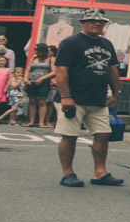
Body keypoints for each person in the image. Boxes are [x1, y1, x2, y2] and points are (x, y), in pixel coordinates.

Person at [52, 10, 124, 188]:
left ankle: (100, 173)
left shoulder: (106, 43)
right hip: (74, 98)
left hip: (98, 99)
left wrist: (116, 94)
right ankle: (67, 173)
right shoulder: (70, 42)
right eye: (92, 21)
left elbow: (113, 70)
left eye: (101, 22)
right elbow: (61, 70)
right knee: (69, 136)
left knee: (103, 133)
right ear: (83, 23)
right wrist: (66, 96)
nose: (97, 24)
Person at [26, 44, 56, 130]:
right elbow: (28, 70)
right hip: (32, 81)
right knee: (32, 101)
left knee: (42, 101)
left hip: (43, 81)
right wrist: (26, 79)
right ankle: (31, 121)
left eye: (36, 49)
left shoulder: (51, 60)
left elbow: (54, 72)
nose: (35, 51)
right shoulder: (33, 59)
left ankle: (41, 122)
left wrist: (42, 78)